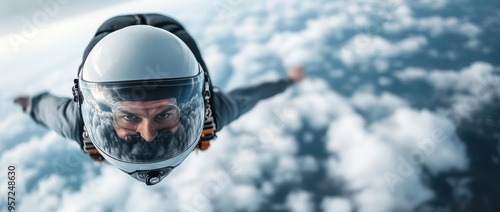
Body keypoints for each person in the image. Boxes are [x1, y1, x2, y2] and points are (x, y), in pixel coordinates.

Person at [13, 14, 305, 185]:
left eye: (164, 114)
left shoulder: (78, 126)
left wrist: (287, 81)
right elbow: (250, 97)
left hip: (153, 35)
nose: (149, 135)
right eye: (129, 116)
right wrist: (25, 101)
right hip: (169, 33)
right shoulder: (212, 116)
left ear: (188, 108)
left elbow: (43, 108)